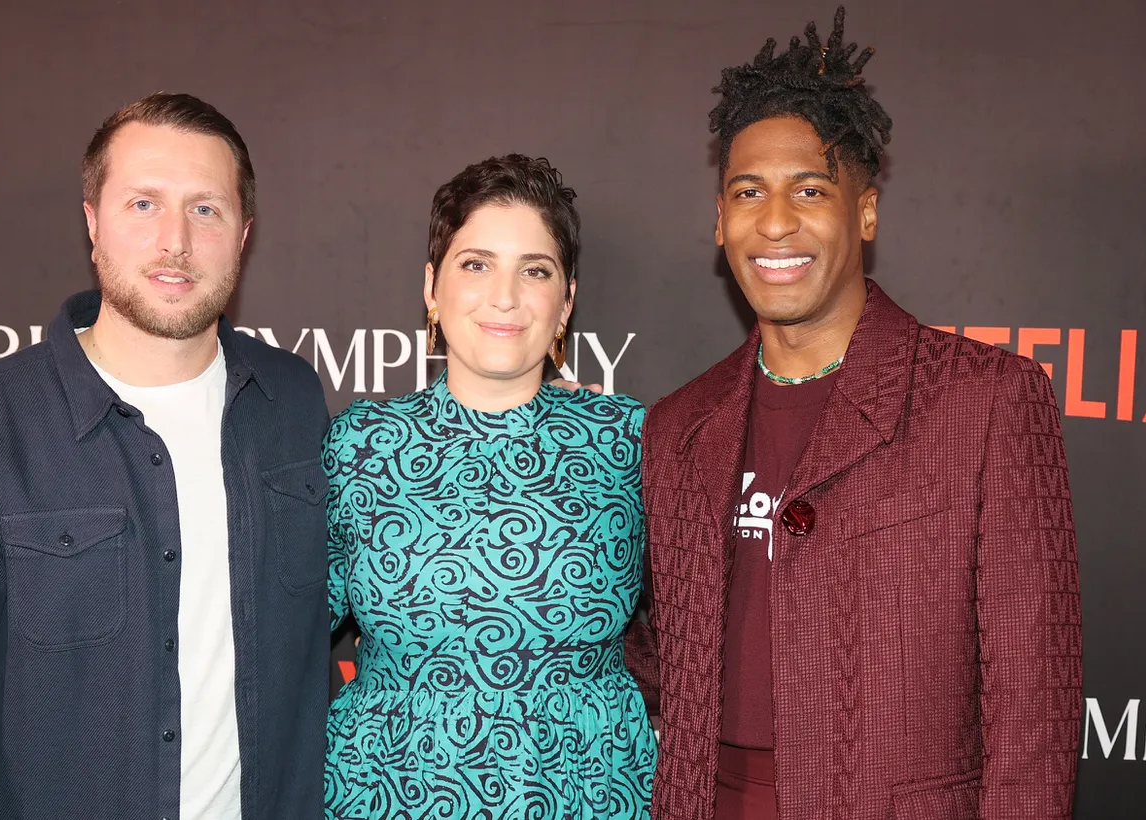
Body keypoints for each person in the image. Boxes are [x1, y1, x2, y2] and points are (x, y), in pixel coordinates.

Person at [636, 9, 1082, 820]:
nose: (775, 221)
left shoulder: (986, 401)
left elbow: (1033, 707)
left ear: (866, 213)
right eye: (749, 193)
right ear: (719, 220)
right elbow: (658, 659)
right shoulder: (676, 427)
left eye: (810, 189)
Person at [0, 93, 329, 820]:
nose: (175, 241)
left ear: (244, 234)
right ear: (93, 223)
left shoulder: (292, 402)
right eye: (144, 204)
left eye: (205, 209)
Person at [321, 154, 657, 818]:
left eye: (534, 270)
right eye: (475, 264)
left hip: (585, 794)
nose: (505, 296)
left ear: (565, 300)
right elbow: (281, 630)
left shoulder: (632, 441)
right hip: (389, 792)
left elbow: (699, 627)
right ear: (431, 287)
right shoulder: (360, 446)